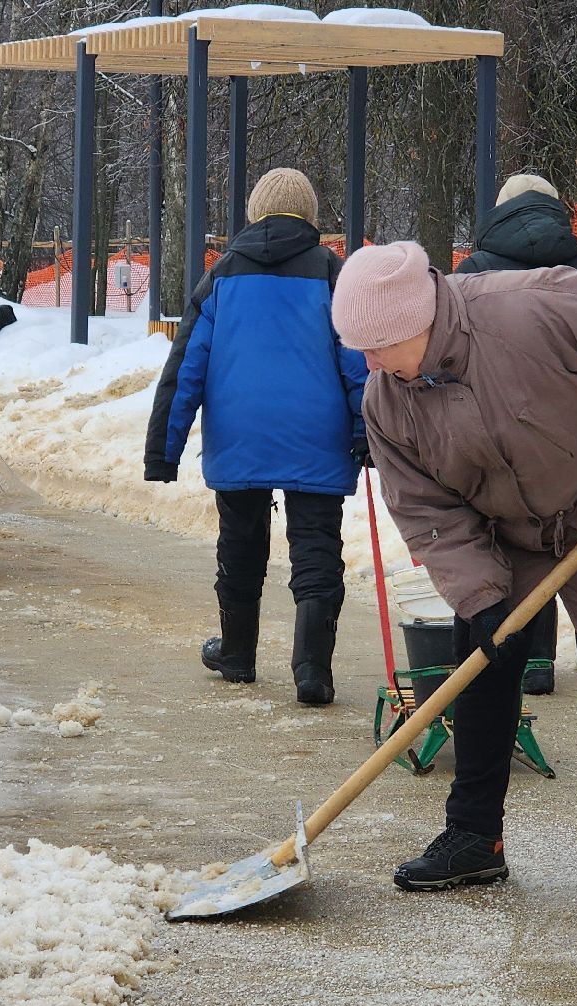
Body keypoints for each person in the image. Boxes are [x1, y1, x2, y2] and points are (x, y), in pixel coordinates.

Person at [331, 241, 577, 905]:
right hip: (507, 529)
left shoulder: (528, 310)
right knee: (482, 662)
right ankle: (474, 837)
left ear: (418, 323)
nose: (370, 364)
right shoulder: (387, 401)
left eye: (378, 346)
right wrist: (479, 595)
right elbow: (428, 510)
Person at [144, 167, 369, 706]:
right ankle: (312, 671)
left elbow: (185, 366)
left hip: (239, 433)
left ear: (253, 213)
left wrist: (163, 451)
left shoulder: (221, 273)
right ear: (310, 216)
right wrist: (368, 433)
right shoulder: (331, 272)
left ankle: (238, 655)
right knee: (317, 549)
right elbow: (357, 364)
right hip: (317, 436)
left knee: (239, 544)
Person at [454, 172, 577, 695]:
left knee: (503, 546)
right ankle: (549, 660)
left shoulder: (473, 272)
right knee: (573, 545)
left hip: (497, 433)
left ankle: (501, 659)